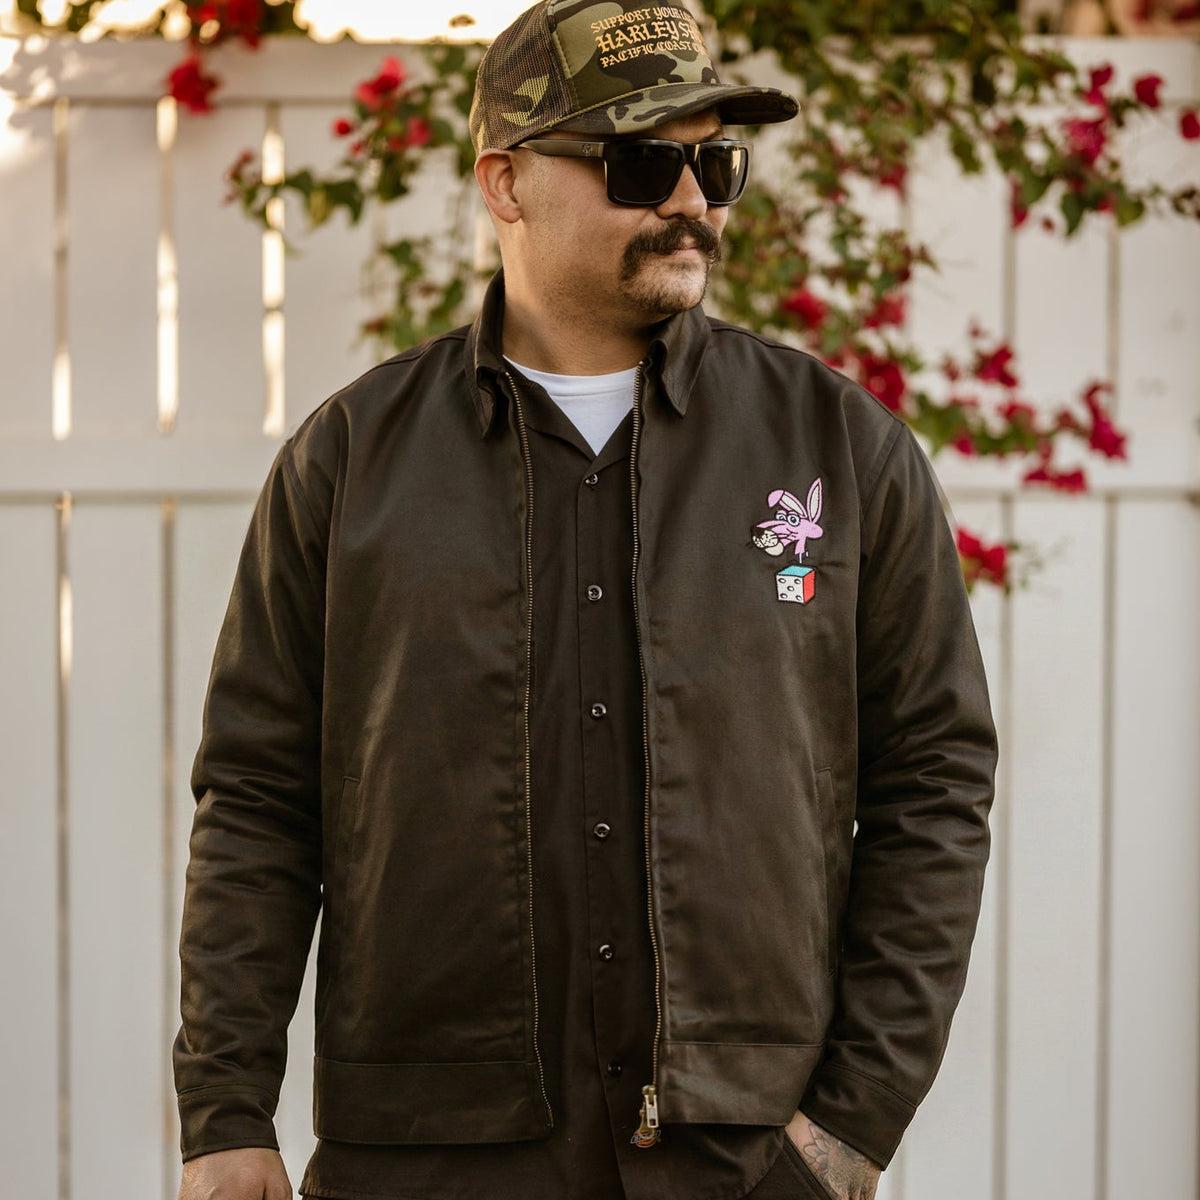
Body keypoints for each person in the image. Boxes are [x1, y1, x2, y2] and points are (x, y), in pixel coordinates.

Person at [173, 3, 998, 1199]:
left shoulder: (841, 450)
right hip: (424, 1159)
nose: (692, 202)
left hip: (741, 1161)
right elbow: (256, 796)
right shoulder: (350, 460)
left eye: (714, 163)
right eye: (641, 161)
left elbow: (935, 782)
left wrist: (847, 1125)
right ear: (505, 184)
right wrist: (224, 1110)